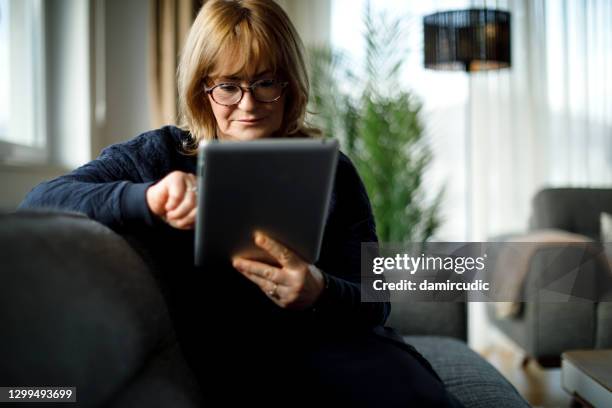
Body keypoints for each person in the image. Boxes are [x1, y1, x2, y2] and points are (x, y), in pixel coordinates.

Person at [19, 0, 465, 406]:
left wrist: (318, 290)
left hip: (337, 348)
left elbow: (376, 298)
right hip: (232, 368)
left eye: (266, 82)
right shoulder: (159, 156)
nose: (248, 104)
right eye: (228, 86)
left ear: (290, 85)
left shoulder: (333, 169)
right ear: (202, 88)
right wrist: (147, 198)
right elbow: (40, 201)